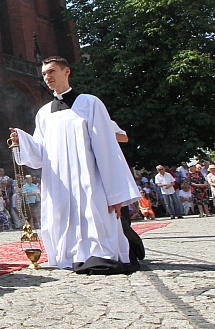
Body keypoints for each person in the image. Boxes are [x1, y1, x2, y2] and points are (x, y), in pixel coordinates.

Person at [8, 56, 142, 274]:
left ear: (66, 71)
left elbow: (107, 149)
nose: (47, 77)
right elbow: (39, 154)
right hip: (58, 182)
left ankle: (99, 254)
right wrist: (21, 141)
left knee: (95, 216)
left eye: (51, 72)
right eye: (44, 74)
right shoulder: (43, 113)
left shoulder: (89, 103)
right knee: (61, 216)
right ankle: (68, 255)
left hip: (89, 178)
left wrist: (114, 194)